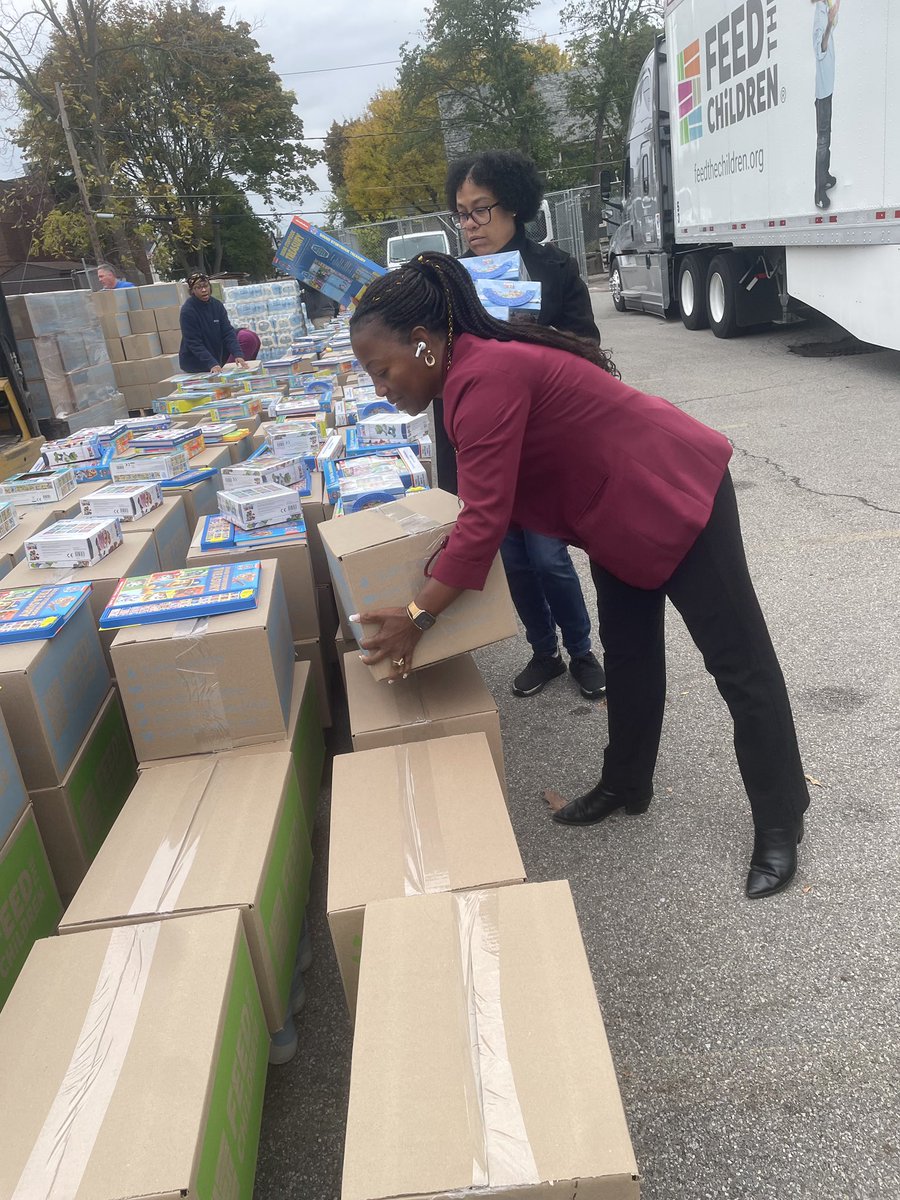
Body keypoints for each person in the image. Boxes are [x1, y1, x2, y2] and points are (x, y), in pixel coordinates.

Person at [347, 252, 811, 900]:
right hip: (613, 515)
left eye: (380, 369)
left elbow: (482, 527)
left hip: (677, 492)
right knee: (628, 658)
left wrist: (418, 617)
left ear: (422, 345)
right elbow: (471, 510)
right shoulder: (462, 381)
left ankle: (781, 818)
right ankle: (627, 782)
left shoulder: (484, 379)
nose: (380, 387)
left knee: (738, 664)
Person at [437, 149, 605, 702]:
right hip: (490, 446)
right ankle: (544, 653)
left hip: (543, 443)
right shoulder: (454, 279)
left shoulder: (553, 268)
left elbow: (587, 350)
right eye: (461, 213)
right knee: (512, 559)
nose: (470, 224)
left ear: (514, 207)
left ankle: (582, 651)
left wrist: (530, 344)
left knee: (549, 557)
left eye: (480, 210)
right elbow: (438, 360)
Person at [178, 272, 246, 374]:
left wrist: (237, 354)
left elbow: (227, 331)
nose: (204, 290)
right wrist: (211, 363)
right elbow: (193, 342)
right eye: (198, 287)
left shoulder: (217, 305)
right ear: (192, 291)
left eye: (206, 286)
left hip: (215, 360)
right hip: (195, 364)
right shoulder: (188, 311)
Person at [812, 0, 840, 209]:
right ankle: (819, 192)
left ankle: (825, 175)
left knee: (826, 136)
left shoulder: (825, 8)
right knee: (822, 141)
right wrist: (830, 22)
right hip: (822, 92)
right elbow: (819, 48)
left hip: (827, 87)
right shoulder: (819, 14)